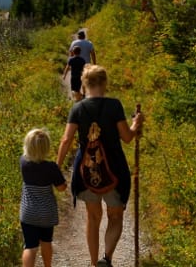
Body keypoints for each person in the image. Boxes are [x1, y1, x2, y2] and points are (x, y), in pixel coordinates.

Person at [56, 65, 144, 267]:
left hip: (86, 170)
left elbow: (66, 139)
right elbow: (128, 138)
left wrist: (57, 167)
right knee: (115, 215)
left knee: (93, 217)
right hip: (114, 168)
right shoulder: (114, 106)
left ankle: (94, 264)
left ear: (84, 84)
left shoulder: (77, 109)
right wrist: (135, 124)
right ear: (104, 83)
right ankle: (107, 258)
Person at [20, 128, 67, 267]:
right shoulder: (51, 167)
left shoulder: (23, 162)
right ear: (46, 147)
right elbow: (61, 187)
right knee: (46, 242)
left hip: (28, 212)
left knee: (30, 246)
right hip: (46, 213)